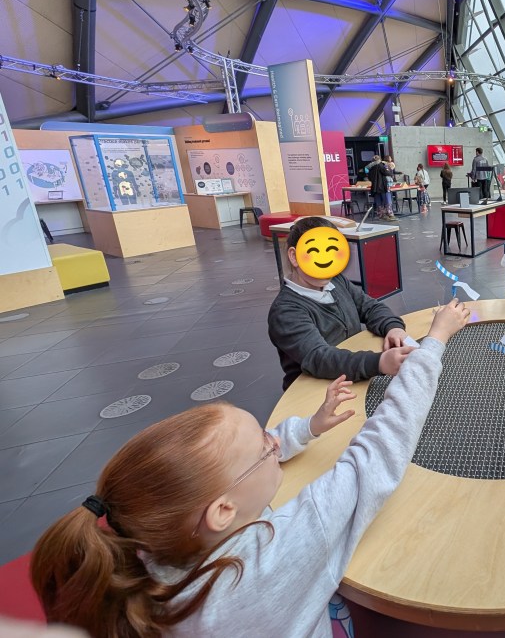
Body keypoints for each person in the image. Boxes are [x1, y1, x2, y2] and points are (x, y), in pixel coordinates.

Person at [31, 299, 471, 637]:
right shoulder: (279, 552)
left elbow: (248, 456)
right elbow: (382, 446)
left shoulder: (145, 549)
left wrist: (306, 429)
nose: (274, 443)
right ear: (223, 510)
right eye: (265, 448)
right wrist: (434, 341)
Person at [269, 217, 411, 390]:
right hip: (315, 390)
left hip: (353, 374)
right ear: (294, 256)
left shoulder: (337, 281)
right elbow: (320, 358)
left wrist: (392, 327)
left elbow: (369, 306)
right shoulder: (285, 311)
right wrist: (379, 362)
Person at [366, 155, 393, 221]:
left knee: (378, 201)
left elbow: (369, 177)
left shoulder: (370, 167)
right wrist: (390, 171)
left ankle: (380, 215)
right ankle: (389, 214)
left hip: (375, 187)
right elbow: (387, 173)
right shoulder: (381, 165)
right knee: (387, 200)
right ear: (379, 160)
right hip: (382, 186)